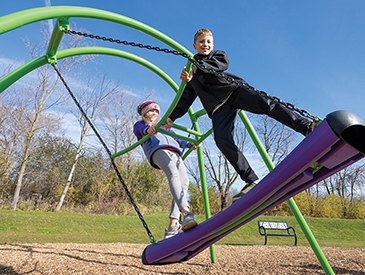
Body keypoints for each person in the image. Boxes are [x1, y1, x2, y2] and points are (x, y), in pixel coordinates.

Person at [165, 28, 316, 201]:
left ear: (212, 44)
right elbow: (185, 98)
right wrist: (172, 117)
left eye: (208, 42)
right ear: (194, 45)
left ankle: (306, 126)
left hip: (233, 90)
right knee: (222, 140)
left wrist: (197, 70)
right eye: (201, 42)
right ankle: (251, 179)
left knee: (266, 104)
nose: (205, 44)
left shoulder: (217, 56)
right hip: (218, 108)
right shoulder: (193, 72)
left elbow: (221, 65)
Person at [133, 100, 198, 239]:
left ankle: (173, 225)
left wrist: (189, 143)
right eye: (151, 111)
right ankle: (186, 212)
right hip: (158, 151)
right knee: (173, 174)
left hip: (176, 153)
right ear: (144, 114)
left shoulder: (165, 127)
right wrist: (148, 130)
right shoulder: (141, 125)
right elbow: (140, 131)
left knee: (184, 182)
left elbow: (178, 140)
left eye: (157, 111)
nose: (155, 113)